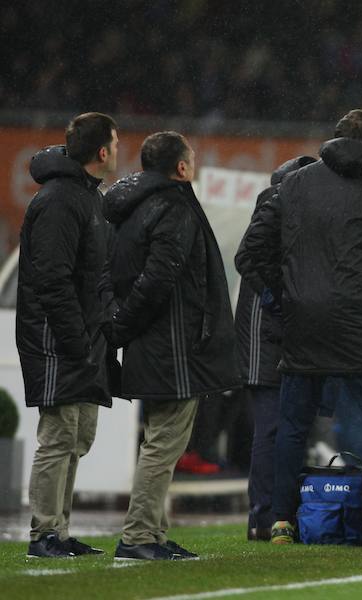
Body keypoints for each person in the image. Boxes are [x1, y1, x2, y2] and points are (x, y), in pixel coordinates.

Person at [240, 109, 362, 545]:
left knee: (293, 422)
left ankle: (281, 519)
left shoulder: (294, 184)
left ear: (332, 140)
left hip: (304, 321)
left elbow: (251, 252)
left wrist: (286, 295)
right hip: (357, 319)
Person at [103, 131, 240, 560]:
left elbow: (122, 274)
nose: (194, 161)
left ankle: (155, 533)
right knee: (164, 444)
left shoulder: (130, 207)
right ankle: (139, 535)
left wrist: (123, 324)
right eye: (191, 157)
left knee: (160, 441)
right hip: (175, 347)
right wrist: (124, 323)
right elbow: (160, 278)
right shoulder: (173, 207)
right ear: (180, 168)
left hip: (154, 342)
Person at [17, 113, 118, 558]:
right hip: (56, 337)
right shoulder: (59, 200)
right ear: (102, 151)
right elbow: (52, 280)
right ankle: (43, 533)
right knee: (57, 437)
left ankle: (58, 530)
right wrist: (76, 339)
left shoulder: (88, 197)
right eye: (115, 143)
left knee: (77, 439)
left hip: (80, 336)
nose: (118, 150)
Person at [234, 154, 315, 541]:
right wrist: (278, 300)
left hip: (275, 331)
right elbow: (248, 261)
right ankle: (263, 516)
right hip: (264, 334)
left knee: (283, 428)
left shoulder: (279, 204)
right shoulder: (277, 204)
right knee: (271, 429)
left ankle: (274, 513)